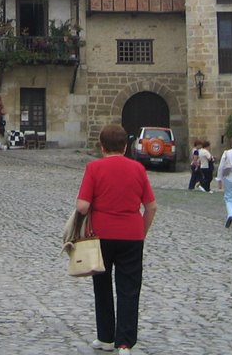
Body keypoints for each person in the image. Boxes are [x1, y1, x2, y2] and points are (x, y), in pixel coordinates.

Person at [75, 124, 157, 354]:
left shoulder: (94, 168)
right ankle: (125, 343)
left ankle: (105, 337)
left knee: (101, 286)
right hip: (131, 236)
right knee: (129, 289)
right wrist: (142, 231)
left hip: (101, 236)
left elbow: (83, 205)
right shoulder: (138, 169)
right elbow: (151, 207)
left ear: (102, 147)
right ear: (125, 146)